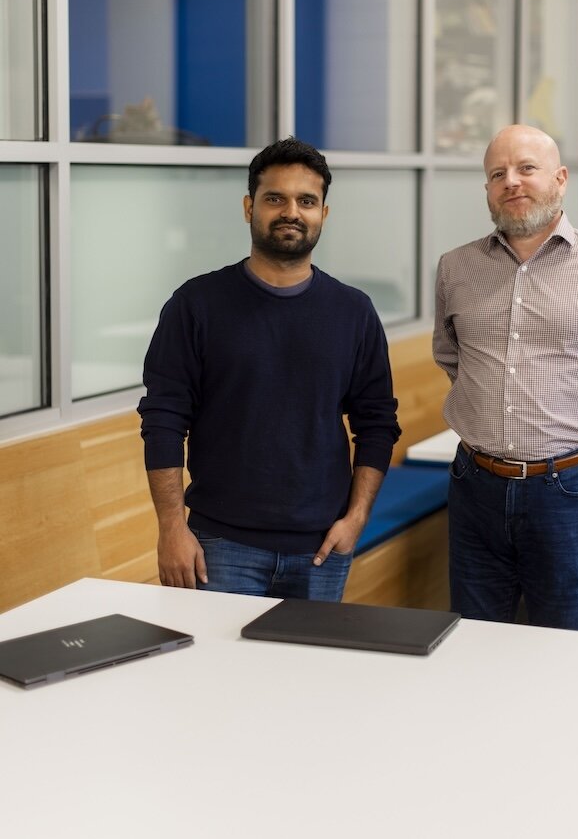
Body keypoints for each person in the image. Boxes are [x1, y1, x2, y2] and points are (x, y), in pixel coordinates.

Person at [138, 137, 400, 601]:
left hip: (322, 547)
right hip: (219, 546)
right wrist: (172, 529)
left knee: (308, 674)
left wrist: (356, 518)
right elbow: (163, 420)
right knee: (221, 675)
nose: (291, 212)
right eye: (275, 198)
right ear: (249, 207)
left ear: (324, 213)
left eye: (307, 201)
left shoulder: (353, 312)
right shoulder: (195, 305)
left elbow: (377, 423)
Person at [433, 124, 578, 631]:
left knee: (564, 644)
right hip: (474, 486)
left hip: (569, 493)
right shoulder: (455, 268)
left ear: (560, 180)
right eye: (498, 174)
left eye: (526, 168)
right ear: (487, 190)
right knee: (473, 638)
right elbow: (451, 356)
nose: (512, 182)